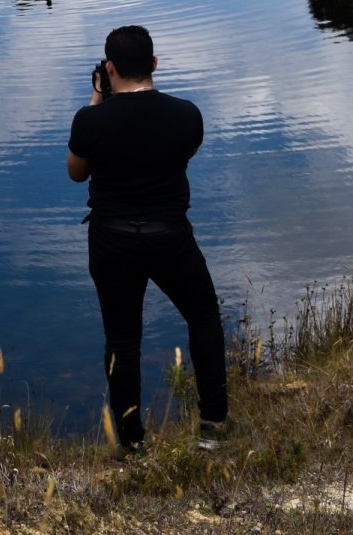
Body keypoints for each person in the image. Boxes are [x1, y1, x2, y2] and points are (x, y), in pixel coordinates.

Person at [66, 24, 229, 454]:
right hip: (170, 236)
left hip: (112, 241)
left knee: (122, 340)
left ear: (110, 67)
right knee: (204, 318)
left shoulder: (90, 120)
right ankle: (212, 425)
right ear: (155, 64)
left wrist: (99, 99)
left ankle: (133, 442)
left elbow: (76, 171)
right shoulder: (187, 115)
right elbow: (180, 155)